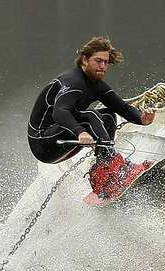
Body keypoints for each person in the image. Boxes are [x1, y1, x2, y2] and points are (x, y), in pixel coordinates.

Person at [27, 36, 156, 198]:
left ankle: (104, 174)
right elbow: (59, 112)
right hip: (43, 144)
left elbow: (122, 107)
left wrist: (142, 119)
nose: (103, 66)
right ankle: (113, 166)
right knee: (91, 115)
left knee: (108, 115)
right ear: (84, 60)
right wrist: (80, 131)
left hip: (63, 137)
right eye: (98, 61)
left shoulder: (96, 85)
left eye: (106, 62)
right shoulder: (73, 82)